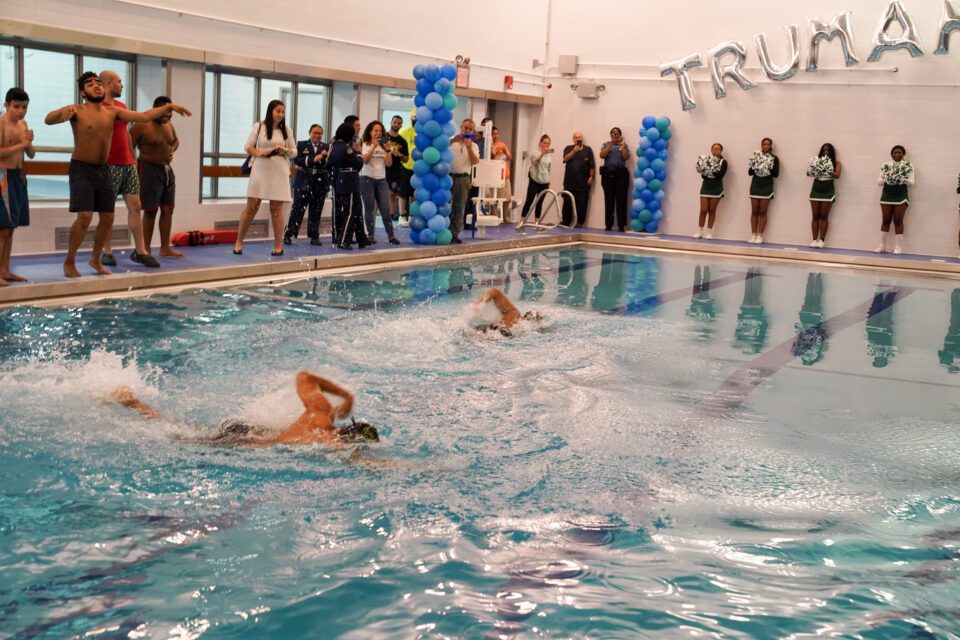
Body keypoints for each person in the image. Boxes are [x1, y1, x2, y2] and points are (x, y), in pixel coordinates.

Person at [44, 72, 191, 278]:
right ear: (82, 92)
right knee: (85, 217)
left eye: (97, 83)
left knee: (108, 217)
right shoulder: (77, 110)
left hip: (104, 169)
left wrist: (168, 107)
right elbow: (48, 120)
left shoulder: (113, 111)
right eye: (90, 84)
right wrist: (62, 112)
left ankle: (95, 258)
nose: (95, 86)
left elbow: (145, 116)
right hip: (82, 169)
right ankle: (69, 260)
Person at [107, 371, 379, 446]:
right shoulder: (328, 442)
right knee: (178, 438)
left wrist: (347, 396)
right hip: (241, 443)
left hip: (246, 428)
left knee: (185, 429)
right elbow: (369, 464)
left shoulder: (320, 415)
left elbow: (304, 377)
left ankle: (132, 401)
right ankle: (134, 404)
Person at [97, 71, 161, 269]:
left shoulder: (121, 107)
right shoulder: (98, 109)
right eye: (118, 82)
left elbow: (125, 135)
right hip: (108, 165)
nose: (121, 85)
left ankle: (140, 250)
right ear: (108, 84)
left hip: (127, 165)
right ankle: (106, 250)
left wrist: (132, 159)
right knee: (107, 211)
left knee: (135, 205)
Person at [232, 99, 296, 256]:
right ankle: (239, 241)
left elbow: (294, 152)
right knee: (252, 207)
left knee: (276, 208)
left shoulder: (286, 130)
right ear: (270, 111)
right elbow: (247, 146)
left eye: (282, 111)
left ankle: (278, 246)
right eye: (277, 111)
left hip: (279, 169)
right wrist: (259, 153)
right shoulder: (259, 126)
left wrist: (284, 150)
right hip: (260, 167)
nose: (280, 114)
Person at [129, 96, 182, 259]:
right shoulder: (141, 125)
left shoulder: (169, 126)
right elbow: (128, 144)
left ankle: (165, 248)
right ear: (156, 109)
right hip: (148, 169)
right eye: (165, 114)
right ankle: (145, 249)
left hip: (166, 170)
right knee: (150, 211)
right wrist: (132, 167)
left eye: (170, 115)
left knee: (168, 209)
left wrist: (172, 149)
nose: (167, 118)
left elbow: (175, 141)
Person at [0, 87, 35, 286]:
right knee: (3, 228)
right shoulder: (1, 123)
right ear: (6, 105)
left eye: (24, 107)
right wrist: (22, 145)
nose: (20, 111)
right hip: (3, 177)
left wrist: (28, 142)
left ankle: (5, 270)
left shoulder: (23, 124)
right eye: (16, 107)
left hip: (19, 178)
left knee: (11, 228)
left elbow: (31, 154)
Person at [283, 124, 329, 246]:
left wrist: (324, 159)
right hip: (303, 180)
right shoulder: (301, 144)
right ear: (309, 133)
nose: (317, 135)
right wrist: (313, 159)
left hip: (319, 182)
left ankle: (314, 236)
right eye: (314, 132)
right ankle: (289, 234)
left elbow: (327, 164)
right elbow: (297, 160)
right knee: (297, 208)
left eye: (319, 133)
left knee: (316, 210)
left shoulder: (326, 147)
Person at [329, 122, 369, 250]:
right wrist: (359, 153)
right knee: (350, 212)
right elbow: (357, 164)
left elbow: (331, 162)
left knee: (355, 210)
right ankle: (343, 240)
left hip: (340, 179)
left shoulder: (334, 145)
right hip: (349, 181)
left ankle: (361, 238)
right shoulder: (347, 148)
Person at [360, 120, 399, 244]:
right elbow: (365, 160)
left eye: (380, 131)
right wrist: (373, 145)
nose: (378, 133)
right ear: (370, 132)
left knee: (385, 209)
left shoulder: (385, 145)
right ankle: (370, 235)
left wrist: (388, 150)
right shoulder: (364, 144)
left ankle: (391, 236)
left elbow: (389, 164)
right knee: (370, 208)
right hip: (367, 178)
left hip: (381, 179)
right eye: (375, 130)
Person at [875, 145, 914, 255]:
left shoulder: (908, 165)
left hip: (901, 196)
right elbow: (879, 182)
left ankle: (898, 247)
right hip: (887, 196)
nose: (897, 154)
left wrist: (903, 178)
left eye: (899, 153)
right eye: (895, 153)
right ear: (891, 154)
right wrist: (887, 177)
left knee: (898, 220)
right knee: (886, 220)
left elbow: (912, 183)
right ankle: (882, 245)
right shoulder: (886, 165)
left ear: (903, 154)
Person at [449, 118, 480, 244]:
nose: (466, 130)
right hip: (447, 177)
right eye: (465, 128)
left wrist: (469, 148)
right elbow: (439, 151)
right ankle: (443, 231)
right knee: (445, 206)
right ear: (460, 127)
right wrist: (452, 140)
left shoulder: (474, 146)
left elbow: (475, 162)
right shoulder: (451, 141)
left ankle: (454, 233)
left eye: (469, 129)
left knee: (459, 207)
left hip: (463, 178)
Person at [468, 287, 542, 337]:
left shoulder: (514, 313)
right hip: (498, 337)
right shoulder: (526, 331)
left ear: (526, 315)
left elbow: (495, 291)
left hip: (489, 332)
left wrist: (479, 305)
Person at [807, 142, 842, 249]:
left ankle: (822, 240)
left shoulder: (836, 163)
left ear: (831, 152)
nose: (825, 152)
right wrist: (816, 167)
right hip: (816, 189)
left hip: (828, 190)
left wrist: (826, 168)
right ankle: (813, 239)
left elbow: (837, 175)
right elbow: (808, 173)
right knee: (815, 216)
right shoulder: (816, 161)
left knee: (824, 216)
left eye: (828, 150)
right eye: (824, 150)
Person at [747, 137, 780, 245]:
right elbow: (750, 172)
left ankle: (760, 235)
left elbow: (776, 174)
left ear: (771, 146)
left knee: (762, 212)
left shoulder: (774, 158)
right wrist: (757, 164)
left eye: (768, 144)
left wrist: (766, 166)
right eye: (764, 144)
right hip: (755, 185)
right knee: (754, 211)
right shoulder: (756, 156)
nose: (766, 146)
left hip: (767, 186)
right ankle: (753, 235)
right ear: (761, 146)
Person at [693, 143, 727, 239]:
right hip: (706, 186)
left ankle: (709, 232)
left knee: (712, 210)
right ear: (711, 150)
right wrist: (704, 169)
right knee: (703, 209)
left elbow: (720, 176)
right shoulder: (706, 160)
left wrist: (711, 169)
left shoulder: (723, 162)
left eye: (718, 149)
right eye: (714, 149)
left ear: (721, 151)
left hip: (716, 187)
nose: (716, 150)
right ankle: (699, 231)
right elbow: (703, 175)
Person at [599, 126, 630, 232]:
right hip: (608, 174)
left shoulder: (623, 145)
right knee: (609, 200)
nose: (615, 134)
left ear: (620, 135)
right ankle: (608, 225)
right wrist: (611, 144)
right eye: (613, 133)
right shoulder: (606, 145)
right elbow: (602, 155)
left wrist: (622, 145)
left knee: (621, 200)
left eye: (617, 133)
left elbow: (626, 157)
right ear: (610, 134)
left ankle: (621, 226)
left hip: (621, 174)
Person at [561, 132, 595, 227]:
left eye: (580, 137)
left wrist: (591, 176)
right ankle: (565, 221)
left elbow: (592, 165)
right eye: (576, 137)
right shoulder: (568, 148)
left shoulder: (588, 150)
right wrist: (574, 151)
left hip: (583, 183)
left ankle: (580, 222)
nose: (578, 139)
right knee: (567, 203)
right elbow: (565, 159)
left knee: (582, 204)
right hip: (569, 182)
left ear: (582, 138)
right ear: (573, 139)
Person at [520, 134, 553, 221]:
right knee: (529, 201)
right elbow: (536, 162)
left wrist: (549, 180)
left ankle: (537, 222)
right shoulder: (535, 153)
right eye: (545, 143)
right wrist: (542, 153)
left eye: (548, 143)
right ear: (540, 143)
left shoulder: (549, 156)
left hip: (544, 181)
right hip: (534, 180)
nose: (547, 145)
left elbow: (548, 169)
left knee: (540, 202)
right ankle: (522, 221)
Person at [385, 115, 410, 225]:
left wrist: (399, 154)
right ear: (391, 122)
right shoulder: (383, 137)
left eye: (399, 123)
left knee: (392, 195)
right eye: (395, 122)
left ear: (401, 125)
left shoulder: (402, 141)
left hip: (396, 172)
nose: (396, 124)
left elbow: (406, 159)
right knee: (378, 197)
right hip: (381, 170)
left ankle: (389, 220)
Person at [396, 109, 417, 227]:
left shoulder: (423, 132)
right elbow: (397, 146)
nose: (416, 120)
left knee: (414, 194)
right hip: (405, 166)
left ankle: (411, 216)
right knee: (403, 193)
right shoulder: (405, 131)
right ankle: (402, 216)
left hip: (419, 169)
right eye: (414, 118)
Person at [490, 126, 513, 206]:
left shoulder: (502, 145)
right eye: (493, 134)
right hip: (493, 176)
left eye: (497, 134)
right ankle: (494, 215)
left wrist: (505, 152)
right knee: (493, 199)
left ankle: (504, 217)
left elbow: (510, 158)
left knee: (507, 198)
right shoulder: (488, 145)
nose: (495, 136)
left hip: (504, 175)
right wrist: (494, 153)